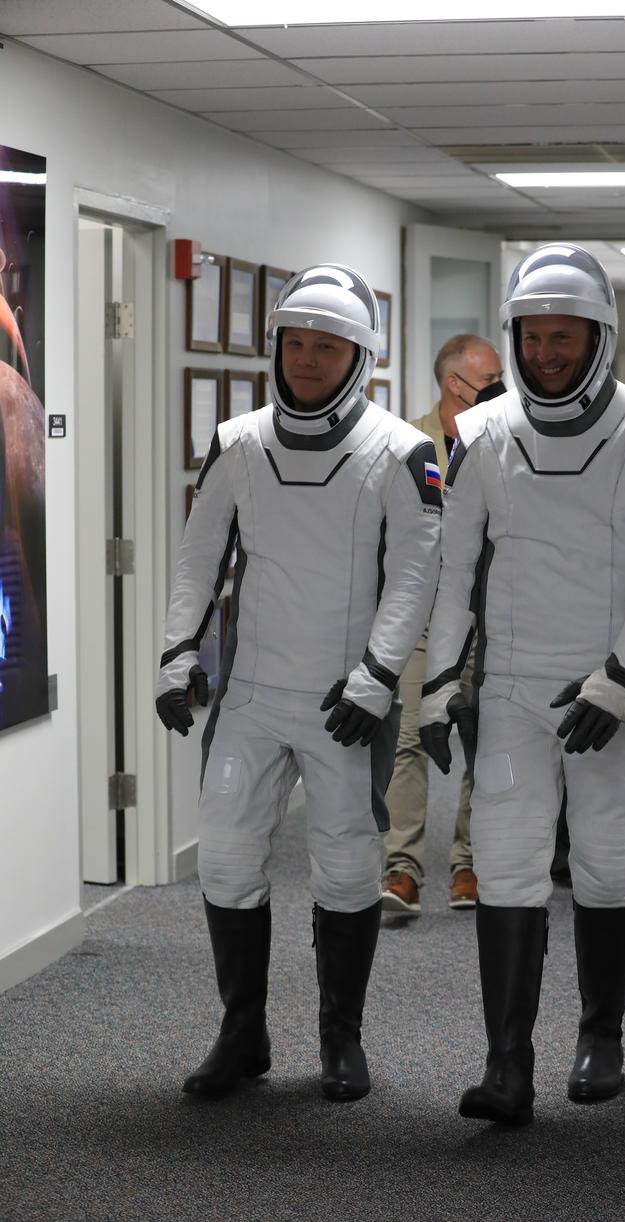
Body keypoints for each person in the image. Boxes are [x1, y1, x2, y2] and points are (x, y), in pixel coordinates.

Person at [419, 243, 625, 1125]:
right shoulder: (481, 435)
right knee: (505, 864)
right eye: (532, 337)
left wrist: (619, 679)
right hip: (509, 685)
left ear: (598, 337)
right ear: (513, 337)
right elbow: (455, 565)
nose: (546, 353)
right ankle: (508, 1066)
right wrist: (437, 686)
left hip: (607, 691)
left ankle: (601, 1036)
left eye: (563, 337)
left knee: (612, 857)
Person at [155, 264, 441, 1101]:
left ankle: (339, 1039)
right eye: (295, 343)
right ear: (275, 348)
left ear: (359, 356)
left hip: (343, 699)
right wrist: (179, 654)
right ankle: (242, 1034)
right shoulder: (238, 443)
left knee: (348, 866)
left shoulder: (401, 451)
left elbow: (414, 575)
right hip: (251, 695)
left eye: (327, 346)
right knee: (228, 857)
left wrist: (378, 677)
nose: (307, 360)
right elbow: (198, 557)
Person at [382, 334, 503, 915]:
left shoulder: (507, 440)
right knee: (409, 741)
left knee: (482, 737)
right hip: (424, 619)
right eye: (491, 377)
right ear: (455, 383)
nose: (505, 386)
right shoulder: (407, 444)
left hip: (490, 617)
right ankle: (401, 867)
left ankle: (470, 863)